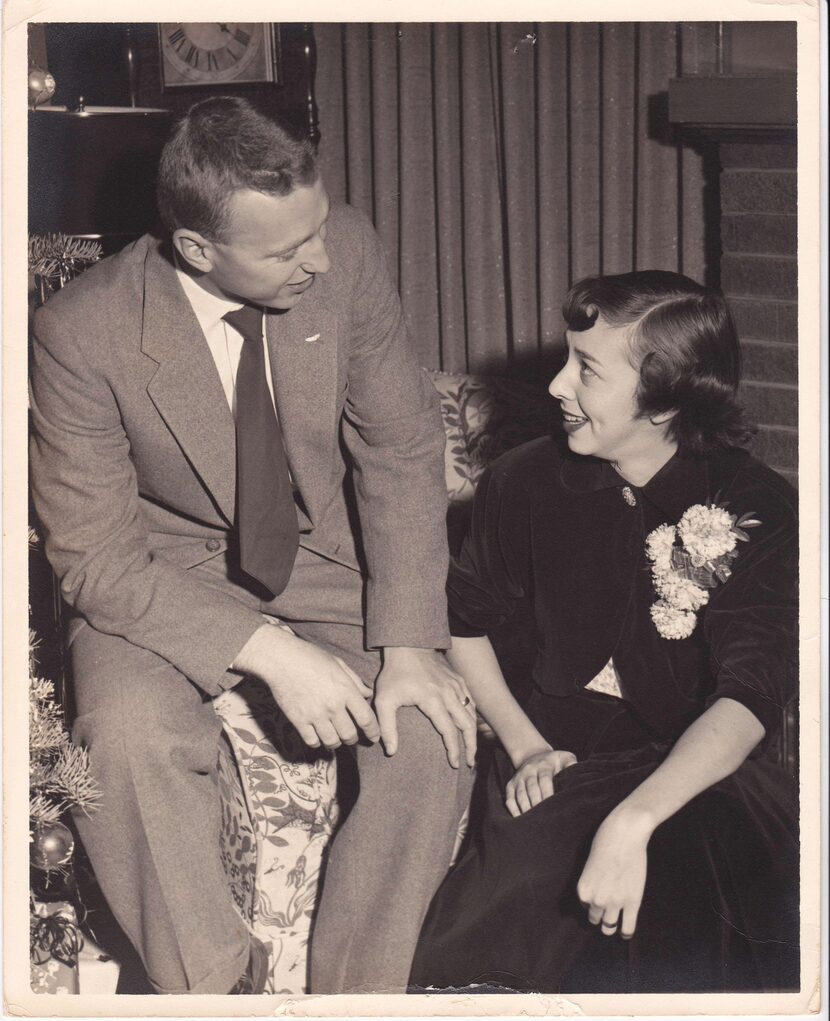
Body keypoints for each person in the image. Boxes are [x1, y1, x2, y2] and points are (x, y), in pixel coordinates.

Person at [29, 96, 475, 996]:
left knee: (427, 734)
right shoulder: (80, 333)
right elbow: (98, 562)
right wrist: (270, 652)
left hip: (324, 559)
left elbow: (399, 446)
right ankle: (222, 993)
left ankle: (357, 996)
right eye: (284, 251)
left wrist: (411, 645)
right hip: (164, 573)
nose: (318, 259)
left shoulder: (342, 247)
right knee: (124, 740)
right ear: (197, 249)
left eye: (316, 231)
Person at [409, 270, 799, 994]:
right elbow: (462, 627)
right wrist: (525, 746)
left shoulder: (758, 505)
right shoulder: (521, 482)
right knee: (522, 904)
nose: (557, 385)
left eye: (585, 368)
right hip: (556, 750)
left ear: (665, 396)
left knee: (703, 867)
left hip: (694, 762)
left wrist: (634, 820)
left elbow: (752, 693)